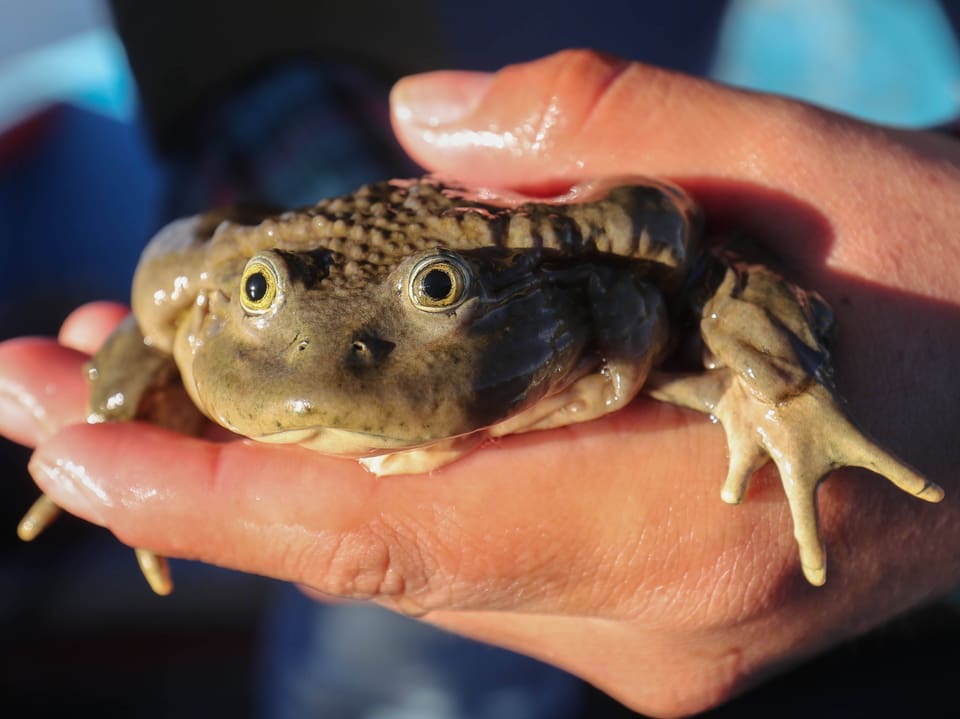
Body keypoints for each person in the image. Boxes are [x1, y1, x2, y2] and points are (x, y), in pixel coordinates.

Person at [1, 50, 959, 717]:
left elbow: (707, 267)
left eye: (441, 293)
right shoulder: (231, 284)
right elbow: (161, 296)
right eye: (255, 293)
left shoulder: (603, 284)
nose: (323, 380)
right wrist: (125, 404)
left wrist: (791, 394)